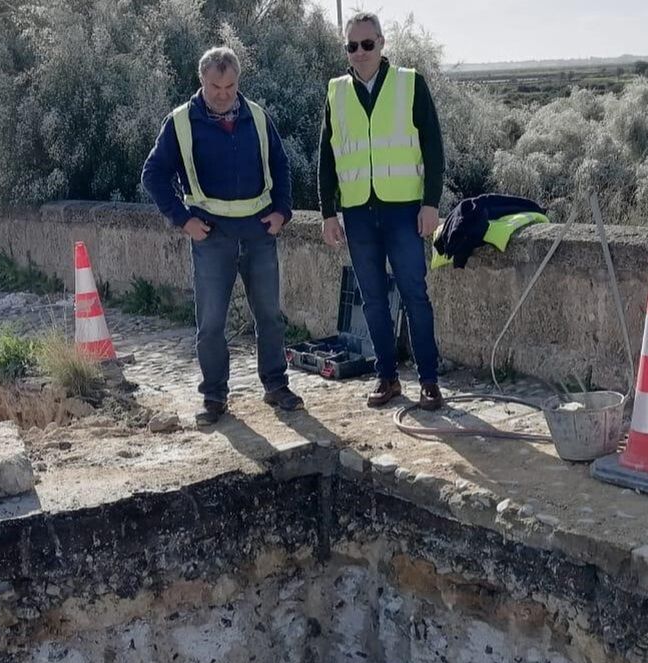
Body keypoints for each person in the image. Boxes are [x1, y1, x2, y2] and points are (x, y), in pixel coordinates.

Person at [142, 46, 304, 427]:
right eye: (216, 86)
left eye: (230, 86)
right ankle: (214, 396)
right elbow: (152, 174)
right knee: (211, 322)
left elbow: (281, 166)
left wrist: (283, 211)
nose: (223, 94)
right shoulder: (180, 123)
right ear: (202, 81)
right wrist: (183, 221)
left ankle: (276, 386)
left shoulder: (259, 117)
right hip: (210, 235)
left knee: (269, 315)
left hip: (260, 231)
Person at [318, 13, 446, 412]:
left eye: (367, 45)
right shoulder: (336, 92)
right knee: (372, 300)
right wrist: (327, 212)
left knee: (414, 295)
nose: (360, 53)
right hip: (358, 213)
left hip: (403, 210)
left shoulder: (410, 83)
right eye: (352, 46)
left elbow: (434, 149)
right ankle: (387, 377)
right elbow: (326, 157)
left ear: (382, 43)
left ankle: (428, 381)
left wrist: (430, 203)